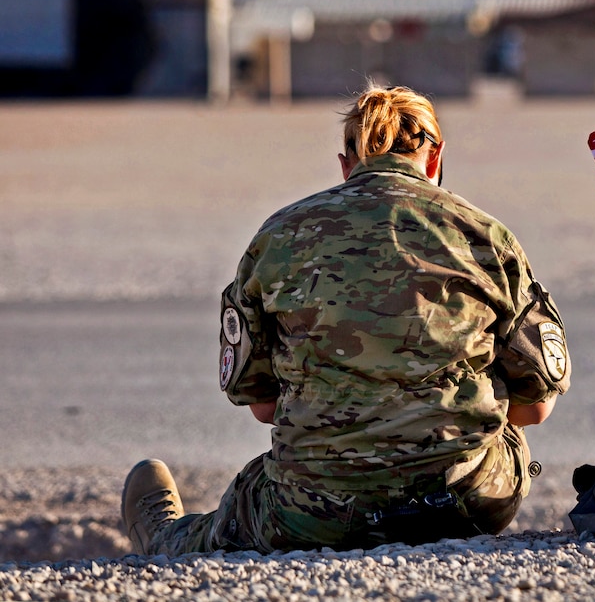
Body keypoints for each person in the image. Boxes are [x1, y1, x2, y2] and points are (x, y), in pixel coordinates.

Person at [121, 83, 571, 554]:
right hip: (468, 503)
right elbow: (534, 408)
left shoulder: (279, 237)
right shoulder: (487, 238)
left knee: (223, 524)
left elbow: (263, 407)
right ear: (435, 160)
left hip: (313, 513)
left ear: (345, 165)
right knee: (503, 423)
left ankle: (166, 538)